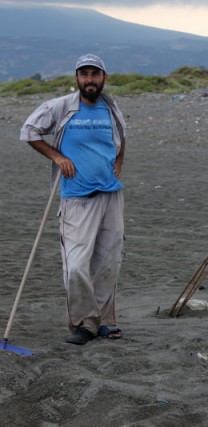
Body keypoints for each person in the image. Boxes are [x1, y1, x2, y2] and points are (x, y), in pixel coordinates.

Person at [20, 54, 126, 345]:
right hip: (76, 197)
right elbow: (29, 131)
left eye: (95, 74)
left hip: (111, 195)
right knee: (77, 265)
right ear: (77, 78)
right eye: (84, 74)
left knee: (108, 264)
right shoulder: (61, 107)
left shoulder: (111, 107)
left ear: (104, 77)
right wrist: (57, 156)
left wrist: (119, 160)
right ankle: (84, 324)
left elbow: (122, 136)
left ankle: (105, 322)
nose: (89, 79)